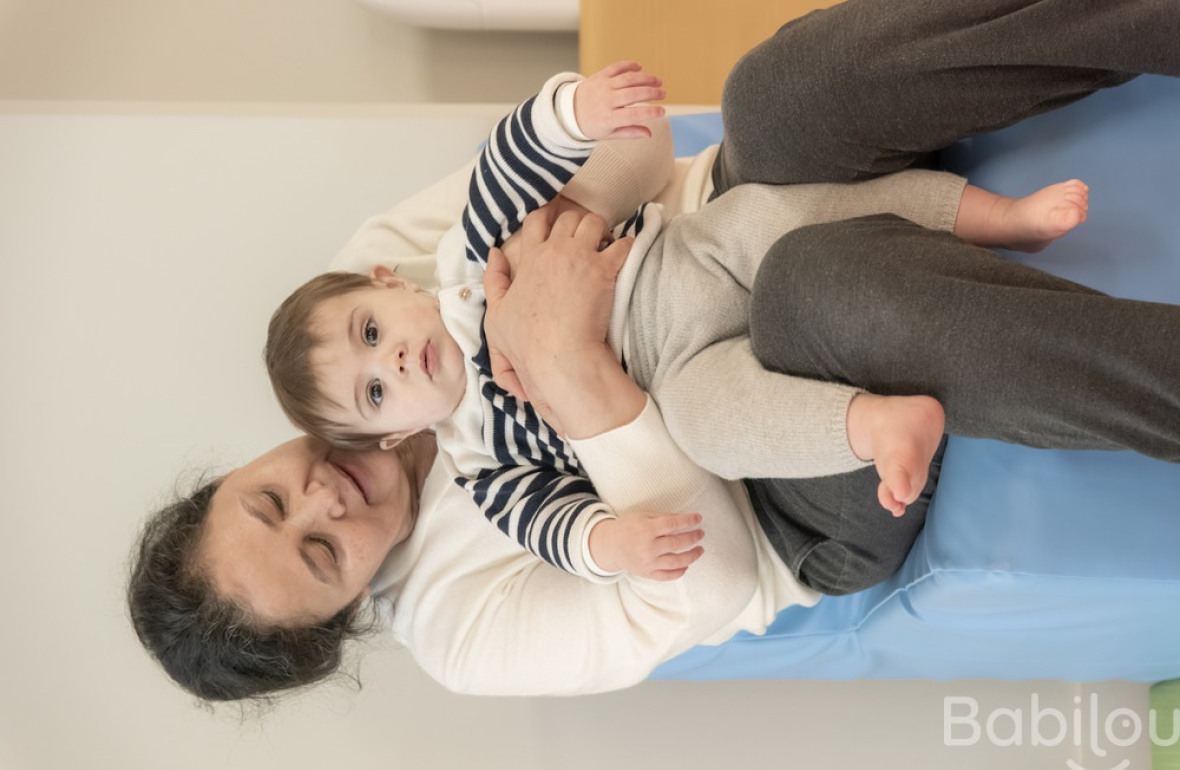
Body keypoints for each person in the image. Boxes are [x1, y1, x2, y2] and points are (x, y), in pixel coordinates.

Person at [128, 0, 1180, 702]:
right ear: (349, 604)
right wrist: (577, 374)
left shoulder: (361, 297)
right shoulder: (461, 628)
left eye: (272, 499)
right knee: (813, 291)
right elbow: (710, 583)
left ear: (242, 471)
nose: (327, 501)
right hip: (770, 490)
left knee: (780, 89)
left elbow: (631, 142)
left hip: (700, 227)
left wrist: (566, 240)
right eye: (322, 553)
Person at [263, 61, 1088, 582]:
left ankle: (991, 216)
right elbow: (551, 523)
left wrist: (573, 113)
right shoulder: (483, 460)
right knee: (712, 427)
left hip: (689, 260)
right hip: (678, 380)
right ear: (388, 437)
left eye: (371, 333)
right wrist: (608, 549)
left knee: (779, 217)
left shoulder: (470, 260)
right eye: (375, 394)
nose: (396, 364)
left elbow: (510, 162)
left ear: (387, 282)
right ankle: (874, 425)